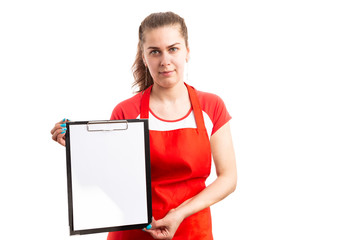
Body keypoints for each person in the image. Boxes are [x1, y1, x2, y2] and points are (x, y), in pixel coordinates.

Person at [51, 11, 237, 240]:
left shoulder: (212, 106)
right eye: (155, 52)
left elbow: (228, 178)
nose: (165, 61)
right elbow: (108, 180)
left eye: (173, 49)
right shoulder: (126, 112)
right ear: (144, 56)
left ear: (187, 51)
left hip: (192, 232)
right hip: (134, 233)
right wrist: (79, 145)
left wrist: (179, 214)